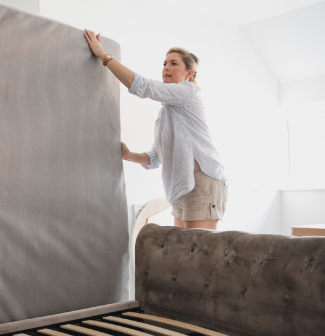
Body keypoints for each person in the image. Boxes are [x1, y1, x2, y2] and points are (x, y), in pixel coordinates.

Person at [84, 29, 227, 229]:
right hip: (181, 188)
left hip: (202, 183)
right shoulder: (166, 112)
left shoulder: (188, 91)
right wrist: (128, 155)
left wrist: (104, 56)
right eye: (164, 63)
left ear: (190, 73)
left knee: (199, 253)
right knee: (183, 250)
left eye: (174, 63)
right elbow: (155, 158)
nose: (166, 67)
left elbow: (142, 86)